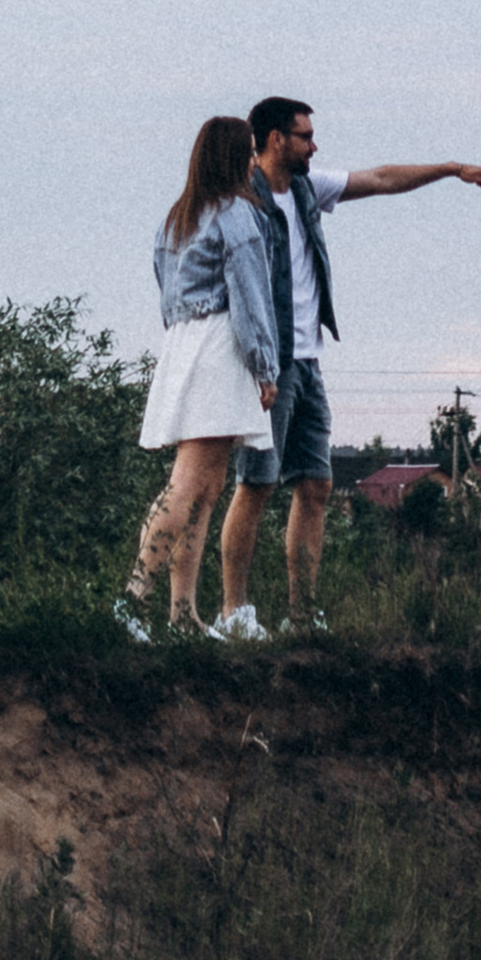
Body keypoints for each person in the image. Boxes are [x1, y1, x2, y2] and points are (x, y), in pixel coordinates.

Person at [213, 94, 481, 639]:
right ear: (276, 138)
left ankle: (302, 616)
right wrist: (253, 362)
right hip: (266, 367)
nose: (313, 145)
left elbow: (383, 179)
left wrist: (451, 170)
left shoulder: (305, 189)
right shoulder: (239, 197)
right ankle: (234, 614)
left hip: (309, 360)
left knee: (317, 486)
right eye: (304, 136)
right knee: (256, 484)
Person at [120, 113, 282, 639]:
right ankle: (132, 600)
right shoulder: (237, 215)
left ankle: (183, 613)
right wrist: (265, 366)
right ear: (239, 157)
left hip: (183, 344)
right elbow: (251, 298)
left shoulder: (177, 218)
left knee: (206, 487)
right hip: (219, 346)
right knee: (189, 484)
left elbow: (166, 290)